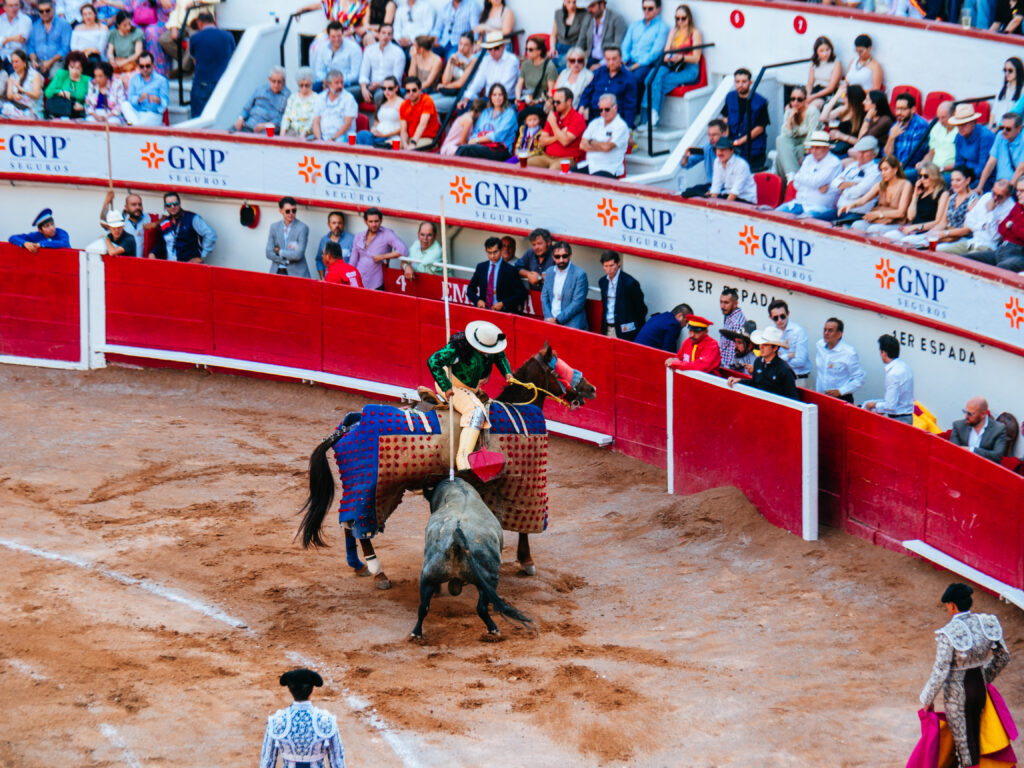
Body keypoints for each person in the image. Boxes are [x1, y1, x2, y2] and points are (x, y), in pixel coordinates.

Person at [918, 583, 1010, 768]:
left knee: (965, 747)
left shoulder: (949, 633)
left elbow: (941, 670)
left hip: (957, 694)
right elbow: (1003, 656)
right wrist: (985, 677)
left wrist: (927, 698)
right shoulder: (987, 622)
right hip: (979, 687)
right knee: (975, 735)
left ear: (952, 605)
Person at [427, 320, 514, 469]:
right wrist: (446, 386)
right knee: (476, 411)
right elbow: (433, 361)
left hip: (474, 389)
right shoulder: (458, 348)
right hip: (454, 386)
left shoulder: (491, 344)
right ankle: (463, 460)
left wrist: (507, 372)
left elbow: (500, 356)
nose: (487, 353)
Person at [259, 668, 345, 768]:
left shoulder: (277, 720)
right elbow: (338, 762)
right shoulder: (326, 720)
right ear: (312, 690)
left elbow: (267, 762)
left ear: (290, 690)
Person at [639, 3, 701, 128]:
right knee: (649, 78)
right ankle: (653, 113)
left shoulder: (694, 33)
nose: (680, 21)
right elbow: (666, 52)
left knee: (658, 82)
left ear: (689, 18)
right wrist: (670, 55)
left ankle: (649, 117)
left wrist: (682, 57)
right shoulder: (674, 32)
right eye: (677, 18)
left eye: (683, 18)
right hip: (673, 65)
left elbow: (696, 58)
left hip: (688, 68)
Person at [776, 131, 843, 219]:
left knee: (804, 222)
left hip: (819, 208)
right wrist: (813, 184)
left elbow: (815, 181)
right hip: (798, 203)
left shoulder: (834, 163)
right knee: (774, 215)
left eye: (818, 148)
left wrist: (798, 176)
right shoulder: (808, 159)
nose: (814, 151)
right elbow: (797, 184)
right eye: (812, 147)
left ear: (827, 148)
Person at [937, 178, 1013, 255]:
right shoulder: (987, 196)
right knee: (938, 251)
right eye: (994, 193)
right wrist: (982, 226)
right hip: (972, 241)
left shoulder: (1010, 208)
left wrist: (990, 212)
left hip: (988, 246)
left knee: (965, 259)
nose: (995, 198)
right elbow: (969, 221)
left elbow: (994, 236)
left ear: (1008, 196)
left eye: (1000, 196)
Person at [881, 163, 950, 245]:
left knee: (904, 242)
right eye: (920, 176)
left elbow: (937, 221)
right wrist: (915, 196)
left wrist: (916, 227)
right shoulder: (921, 192)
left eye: (926, 176)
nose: (922, 179)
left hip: (926, 231)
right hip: (912, 228)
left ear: (934, 177)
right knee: (887, 236)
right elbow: (910, 217)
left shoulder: (943, 194)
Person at [964, 178, 1024, 271]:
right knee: (965, 259)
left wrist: (1011, 226)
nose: (1017, 194)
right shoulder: (1018, 206)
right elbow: (1002, 230)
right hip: (1002, 248)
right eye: (1017, 190)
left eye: (1022, 191)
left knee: (1001, 269)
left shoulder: (1012, 205)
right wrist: (1009, 226)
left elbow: (1000, 232)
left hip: (1018, 252)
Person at [844, 155, 913, 233]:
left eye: (885, 169)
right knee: (857, 225)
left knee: (873, 230)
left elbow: (901, 213)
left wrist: (878, 214)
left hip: (895, 222)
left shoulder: (906, 185)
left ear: (895, 169)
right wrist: (850, 205)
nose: (883, 173)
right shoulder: (880, 184)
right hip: (878, 220)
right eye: (881, 170)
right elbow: (863, 200)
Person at [727, 326, 799, 400]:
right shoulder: (758, 362)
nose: (761, 347)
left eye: (765, 345)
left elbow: (793, 399)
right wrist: (740, 380)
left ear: (775, 348)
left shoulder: (784, 370)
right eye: (761, 343)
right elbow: (755, 383)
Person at [620, 0, 668, 111]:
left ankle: (634, 111)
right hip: (628, 61)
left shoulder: (662, 28)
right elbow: (625, 45)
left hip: (646, 64)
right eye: (644, 8)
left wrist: (634, 66)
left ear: (658, 9)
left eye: (650, 8)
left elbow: (655, 53)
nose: (646, 11)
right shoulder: (634, 25)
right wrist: (623, 61)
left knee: (634, 78)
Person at [720, 67, 769, 171]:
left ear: (750, 82)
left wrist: (740, 141)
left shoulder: (760, 101)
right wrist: (726, 134)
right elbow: (725, 117)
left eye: (743, 82)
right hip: (733, 147)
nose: (740, 85)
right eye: (737, 82)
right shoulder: (730, 97)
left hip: (753, 150)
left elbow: (760, 128)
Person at [187, 11, 234, 118]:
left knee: (198, 118)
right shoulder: (228, 36)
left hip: (202, 82)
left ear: (199, 23)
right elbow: (232, 56)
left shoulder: (195, 38)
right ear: (213, 21)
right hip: (222, 82)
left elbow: (194, 59)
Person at [455, 82, 516, 162]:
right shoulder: (486, 112)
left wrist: (477, 140)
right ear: (490, 97)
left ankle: (457, 173)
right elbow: (476, 131)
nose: (497, 97)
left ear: (504, 96)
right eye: (494, 95)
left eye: (500, 95)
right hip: (483, 145)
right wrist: (473, 139)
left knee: (467, 150)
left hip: (500, 150)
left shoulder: (509, 113)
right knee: (463, 148)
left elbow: (498, 136)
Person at [349, 207, 407, 290]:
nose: (374, 224)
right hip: (358, 280)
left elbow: (403, 250)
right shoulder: (359, 236)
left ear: (381, 221)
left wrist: (382, 257)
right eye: (371, 221)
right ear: (365, 222)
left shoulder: (387, 234)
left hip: (376, 282)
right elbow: (353, 260)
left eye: (376, 221)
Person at [149, 192, 216, 263]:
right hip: (171, 266)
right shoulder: (164, 223)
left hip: (191, 266)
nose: (172, 207)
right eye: (168, 205)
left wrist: (202, 257)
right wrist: (153, 253)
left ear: (180, 203)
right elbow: (161, 245)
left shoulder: (192, 218)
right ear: (165, 207)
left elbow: (210, 234)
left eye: (175, 203)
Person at [529, 86, 586, 170]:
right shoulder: (554, 116)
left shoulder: (577, 118)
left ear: (569, 101)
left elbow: (565, 141)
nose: (555, 104)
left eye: (558, 102)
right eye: (554, 101)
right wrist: (558, 136)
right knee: (521, 166)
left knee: (552, 173)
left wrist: (553, 124)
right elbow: (541, 142)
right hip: (546, 157)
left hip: (568, 159)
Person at [457, 30, 518, 108]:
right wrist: (466, 99)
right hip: (488, 99)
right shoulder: (486, 60)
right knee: (464, 107)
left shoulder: (511, 60)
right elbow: (477, 82)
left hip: (505, 100)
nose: (492, 51)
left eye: (496, 48)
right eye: (489, 48)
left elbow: (506, 88)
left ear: (503, 47)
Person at [579, 45, 636, 126]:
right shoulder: (599, 72)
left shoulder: (628, 78)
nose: (611, 62)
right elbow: (587, 91)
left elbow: (630, 106)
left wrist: (627, 128)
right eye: (608, 59)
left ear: (620, 58)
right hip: (593, 115)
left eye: (614, 59)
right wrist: (582, 106)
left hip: (613, 120)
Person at [829, 136, 882, 223]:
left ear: (874, 154)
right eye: (859, 151)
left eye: (865, 152)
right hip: (839, 210)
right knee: (813, 219)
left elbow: (857, 192)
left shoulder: (876, 171)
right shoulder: (852, 166)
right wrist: (852, 184)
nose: (860, 155)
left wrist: (842, 188)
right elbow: (833, 184)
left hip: (857, 213)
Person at [467, 236, 526, 313]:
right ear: (486, 251)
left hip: (504, 312)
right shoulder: (481, 267)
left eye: (495, 252)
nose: (492, 256)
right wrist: (478, 301)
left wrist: (503, 303)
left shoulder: (510, 270)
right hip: (484, 310)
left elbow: (521, 294)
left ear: (501, 250)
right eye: (489, 252)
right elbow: (470, 289)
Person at [863, 334, 914, 423]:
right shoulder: (905, 367)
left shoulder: (893, 374)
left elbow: (890, 406)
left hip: (898, 420)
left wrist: (872, 405)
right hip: (908, 417)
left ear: (883, 353)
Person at [579, 92, 630, 178]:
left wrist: (590, 142)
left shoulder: (621, 126)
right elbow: (582, 145)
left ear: (615, 108)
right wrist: (603, 145)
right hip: (590, 165)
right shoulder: (595, 122)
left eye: (607, 109)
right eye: (600, 110)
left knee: (592, 182)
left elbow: (607, 147)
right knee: (567, 177)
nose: (603, 112)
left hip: (609, 169)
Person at [599, 250, 646, 340]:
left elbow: (641, 309)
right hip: (607, 328)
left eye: (612, 265)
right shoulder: (602, 282)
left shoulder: (630, 283)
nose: (609, 269)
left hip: (626, 332)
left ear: (618, 263)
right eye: (606, 266)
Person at [541, 240, 589, 330]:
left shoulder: (580, 275)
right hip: (551, 322)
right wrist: (549, 317)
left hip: (572, 325)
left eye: (564, 256)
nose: (561, 260)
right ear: (553, 257)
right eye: (557, 257)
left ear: (570, 255)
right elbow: (544, 296)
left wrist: (558, 319)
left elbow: (578, 303)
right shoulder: (550, 272)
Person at [775, 86, 820, 181]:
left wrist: (807, 149)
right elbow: (786, 135)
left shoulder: (812, 111)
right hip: (795, 141)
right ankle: (792, 176)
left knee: (780, 157)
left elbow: (812, 133)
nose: (795, 102)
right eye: (793, 99)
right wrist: (790, 118)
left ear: (805, 100)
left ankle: (790, 183)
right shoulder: (789, 112)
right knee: (780, 139)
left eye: (799, 99)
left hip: (809, 143)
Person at [814, 317, 863, 403]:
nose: (826, 333)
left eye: (830, 331)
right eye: (824, 330)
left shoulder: (849, 353)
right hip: (821, 397)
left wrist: (841, 391)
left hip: (841, 399)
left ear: (839, 334)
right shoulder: (820, 345)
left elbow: (859, 379)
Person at [976, 112, 1024, 195]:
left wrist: (1005, 193)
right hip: (999, 187)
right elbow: (990, 163)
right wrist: (980, 186)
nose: (1004, 131)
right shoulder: (1000, 136)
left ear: (1019, 129)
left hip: (1016, 189)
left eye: (1008, 129)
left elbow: (1020, 170)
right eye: (1002, 128)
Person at [100, 188, 156, 258]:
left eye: (140, 204)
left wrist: (155, 224)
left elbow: (165, 217)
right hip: (125, 262)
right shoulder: (118, 218)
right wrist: (107, 201)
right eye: (134, 205)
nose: (137, 207)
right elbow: (103, 221)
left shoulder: (148, 218)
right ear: (126, 207)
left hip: (141, 262)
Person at [950, 397, 1010, 462]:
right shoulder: (958, 425)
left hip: (986, 468)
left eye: (970, 414)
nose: (966, 416)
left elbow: (997, 456)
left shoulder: (998, 429)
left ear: (983, 414)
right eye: (965, 412)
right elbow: (953, 451)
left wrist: (972, 450)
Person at [950, 104, 996, 188]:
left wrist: (964, 179)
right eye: (958, 124)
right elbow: (959, 161)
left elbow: (983, 166)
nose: (960, 127)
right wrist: (958, 178)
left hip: (983, 179)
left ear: (973, 122)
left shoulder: (986, 136)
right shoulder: (959, 136)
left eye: (963, 124)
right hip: (964, 176)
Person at [678, 118, 726, 198]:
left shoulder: (730, 150)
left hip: (726, 190)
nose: (711, 138)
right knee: (688, 193)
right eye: (709, 135)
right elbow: (685, 165)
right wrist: (685, 156)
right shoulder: (707, 147)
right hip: (711, 186)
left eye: (714, 135)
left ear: (723, 134)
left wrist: (713, 191)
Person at [358, 23, 404, 105]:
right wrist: (363, 88)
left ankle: (377, 118)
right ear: (378, 34)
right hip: (370, 85)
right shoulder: (369, 50)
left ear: (392, 37)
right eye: (383, 33)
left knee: (379, 96)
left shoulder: (398, 53)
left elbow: (397, 78)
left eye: (389, 34)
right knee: (349, 92)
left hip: (388, 88)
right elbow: (363, 73)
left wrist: (380, 84)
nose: (386, 36)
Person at [234, 66, 290, 134]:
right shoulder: (260, 89)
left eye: (279, 82)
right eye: (273, 81)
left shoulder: (287, 96)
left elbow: (283, 119)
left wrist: (265, 126)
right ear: (269, 79)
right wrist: (240, 118)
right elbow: (246, 108)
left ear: (284, 82)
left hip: (267, 132)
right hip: (248, 126)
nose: (276, 85)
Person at [266, 197, 310, 278]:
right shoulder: (274, 227)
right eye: (287, 211)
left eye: (294, 211)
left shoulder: (303, 228)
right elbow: (268, 253)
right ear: (281, 211)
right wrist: (285, 260)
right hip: (276, 272)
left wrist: (279, 252)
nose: (291, 213)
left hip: (297, 274)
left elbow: (298, 254)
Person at [121, 51, 167, 126]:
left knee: (138, 123)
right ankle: (137, 126)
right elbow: (130, 98)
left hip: (153, 114)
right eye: (142, 66)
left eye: (148, 66)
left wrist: (158, 100)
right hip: (138, 112)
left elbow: (165, 103)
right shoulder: (134, 78)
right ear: (138, 66)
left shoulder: (161, 80)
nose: (145, 69)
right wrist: (138, 99)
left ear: (153, 65)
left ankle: (135, 126)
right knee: (125, 105)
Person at [706, 136, 757, 204]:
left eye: (723, 149)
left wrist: (725, 207)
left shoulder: (741, 165)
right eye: (718, 149)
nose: (720, 152)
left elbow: (735, 191)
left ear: (732, 150)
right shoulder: (717, 162)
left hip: (745, 199)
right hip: (728, 195)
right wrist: (712, 203)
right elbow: (716, 185)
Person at [821, 83, 866, 159]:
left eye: (845, 96)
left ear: (852, 98)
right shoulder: (843, 109)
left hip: (849, 150)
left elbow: (861, 142)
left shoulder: (863, 115)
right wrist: (836, 96)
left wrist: (840, 136)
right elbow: (823, 118)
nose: (843, 98)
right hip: (837, 146)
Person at [312, 20, 360, 92]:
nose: (336, 39)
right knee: (312, 88)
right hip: (327, 81)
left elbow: (355, 75)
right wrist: (327, 82)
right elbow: (319, 70)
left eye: (339, 36)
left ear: (343, 34)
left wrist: (336, 82)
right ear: (328, 36)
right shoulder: (323, 47)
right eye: (333, 37)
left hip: (347, 83)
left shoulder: (354, 48)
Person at [767, 299, 810, 380]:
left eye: (782, 316)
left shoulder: (798, 332)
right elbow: (768, 357)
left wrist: (778, 360)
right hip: (779, 377)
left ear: (788, 314)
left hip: (799, 378)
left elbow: (801, 361)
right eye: (776, 318)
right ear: (770, 318)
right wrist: (788, 356)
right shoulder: (770, 331)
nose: (780, 320)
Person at [356, 74, 402, 147]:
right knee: (361, 135)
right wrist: (373, 129)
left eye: (390, 88)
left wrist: (384, 135)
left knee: (369, 141)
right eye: (384, 88)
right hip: (377, 135)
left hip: (390, 137)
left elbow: (403, 127)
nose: (386, 91)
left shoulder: (402, 103)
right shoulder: (382, 103)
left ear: (396, 88)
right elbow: (376, 123)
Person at [312, 69, 357, 142]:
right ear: (329, 84)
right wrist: (319, 139)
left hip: (342, 136)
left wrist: (333, 139)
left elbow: (348, 124)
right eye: (337, 83)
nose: (340, 86)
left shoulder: (349, 98)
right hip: (324, 137)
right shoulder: (320, 98)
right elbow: (316, 122)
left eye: (341, 82)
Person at [27, 0, 70, 77]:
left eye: (47, 10)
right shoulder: (35, 26)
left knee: (55, 75)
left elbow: (65, 49)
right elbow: (31, 47)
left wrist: (50, 62)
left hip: (57, 61)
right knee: (28, 74)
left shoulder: (64, 24)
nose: (44, 13)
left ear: (53, 9)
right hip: (39, 61)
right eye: (41, 11)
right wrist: (33, 61)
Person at [578, 0, 626, 68]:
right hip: (590, 58)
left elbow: (618, 47)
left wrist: (601, 64)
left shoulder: (616, 19)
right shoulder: (588, 17)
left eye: (592, 6)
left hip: (607, 61)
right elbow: (581, 41)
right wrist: (576, 57)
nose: (589, 10)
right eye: (588, 7)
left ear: (602, 4)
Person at [43, 50, 89, 117]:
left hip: (78, 114)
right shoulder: (61, 74)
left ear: (82, 68)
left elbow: (91, 101)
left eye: (78, 68)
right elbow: (48, 93)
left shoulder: (87, 80)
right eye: (71, 67)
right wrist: (60, 92)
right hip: (59, 111)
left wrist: (83, 107)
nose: (74, 71)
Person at [515, 34, 557, 108]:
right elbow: (519, 84)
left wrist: (537, 101)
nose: (527, 52)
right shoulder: (525, 64)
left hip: (542, 102)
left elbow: (552, 91)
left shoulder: (549, 67)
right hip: (527, 100)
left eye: (530, 50)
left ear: (539, 51)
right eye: (526, 49)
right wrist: (518, 99)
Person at [917, 101, 956, 177]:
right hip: (933, 170)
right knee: (904, 175)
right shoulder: (936, 127)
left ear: (953, 115)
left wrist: (941, 168)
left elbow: (960, 161)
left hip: (950, 172)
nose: (940, 121)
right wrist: (923, 163)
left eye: (943, 117)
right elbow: (932, 152)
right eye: (938, 118)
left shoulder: (960, 131)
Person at [398, 75, 439, 149]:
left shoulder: (427, 100)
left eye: (414, 90)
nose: (411, 93)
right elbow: (403, 130)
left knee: (412, 150)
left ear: (420, 89)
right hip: (411, 138)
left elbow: (422, 125)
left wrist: (413, 143)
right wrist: (404, 144)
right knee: (389, 146)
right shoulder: (403, 105)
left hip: (427, 138)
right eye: (408, 91)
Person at [1, 48, 43, 119]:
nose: (14, 65)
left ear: (24, 63)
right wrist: (14, 96)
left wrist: (23, 90)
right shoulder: (12, 77)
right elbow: (9, 95)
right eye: (12, 62)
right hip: (16, 107)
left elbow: (37, 95)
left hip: (32, 109)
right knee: (5, 107)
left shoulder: (35, 75)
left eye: (16, 62)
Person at [280, 67, 318, 139]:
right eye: (301, 85)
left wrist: (305, 133)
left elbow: (314, 119)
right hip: (292, 131)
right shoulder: (293, 97)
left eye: (307, 85)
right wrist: (282, 132)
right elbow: (287, 116)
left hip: (309, 134)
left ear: (311, 84)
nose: (304, 88)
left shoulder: (317, 99)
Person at [314, 211, 354, 279]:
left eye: (339, 223)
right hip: (329, 279)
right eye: (334, 223)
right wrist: (322, 277)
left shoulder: (352, 239)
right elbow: (319, 260)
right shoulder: (324, 240)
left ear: (343, 224)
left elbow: (354, 262)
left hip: (346, 280)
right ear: (329, 224)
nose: (337, 226)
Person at [806, 35, 841, 109]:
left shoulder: (836, 63)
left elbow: (831, 88)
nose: (825, 53)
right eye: (821, 51)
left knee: (811, 107)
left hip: (826, 93)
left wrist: (812, 97)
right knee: (793, 107)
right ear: (816, 52)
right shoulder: (815, 62)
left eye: (827, 50)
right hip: (815, 90)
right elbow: (809, 83)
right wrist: (808, 95)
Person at [106, 11, 143, 77]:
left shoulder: (137, 32)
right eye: (125, 25)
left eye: (129, 24)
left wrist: (123, 62)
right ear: (118, 25)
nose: (128, 27)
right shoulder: (113, 33)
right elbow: (110, 51)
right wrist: (112, 60)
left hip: (131, 61)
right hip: (118, 61)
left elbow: (138, 53)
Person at [991, 57, 1024, 130]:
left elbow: (1015, 113)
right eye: (1005, 70)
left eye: (1010, 70)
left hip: (1011, 129)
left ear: (1018, 71)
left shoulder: (1022, 91)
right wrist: (990, 128)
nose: (1007, 73)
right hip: (996, 126)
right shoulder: (1002, 89)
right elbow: (994, 111)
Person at [717, 287, 745, 369]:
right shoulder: (729, 316)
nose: (722, 306)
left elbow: (732, 353)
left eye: (726, 303)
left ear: (735, 303)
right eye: (721, 302)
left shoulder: (736, 323)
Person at [552, 0, 583, 65]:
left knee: (564, 65)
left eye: (574, 2)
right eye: (569, 2)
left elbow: (582, 37)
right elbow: (553, 35)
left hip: (573, 48)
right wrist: (552, 48)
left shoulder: (581, 15)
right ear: (564, 2)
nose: (572, 5)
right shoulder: (558, 13)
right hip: (559, 47)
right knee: (551, 65)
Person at [0, 0, 31, 65]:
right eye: (11, 6)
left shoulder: (26, 20)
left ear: (20, 6)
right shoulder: (1, 19)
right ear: (4, 7)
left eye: (16, 5)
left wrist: (3, 40)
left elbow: (20, 41)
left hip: (18, 58)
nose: (14, 8)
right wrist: (9, 39)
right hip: (2, 57)